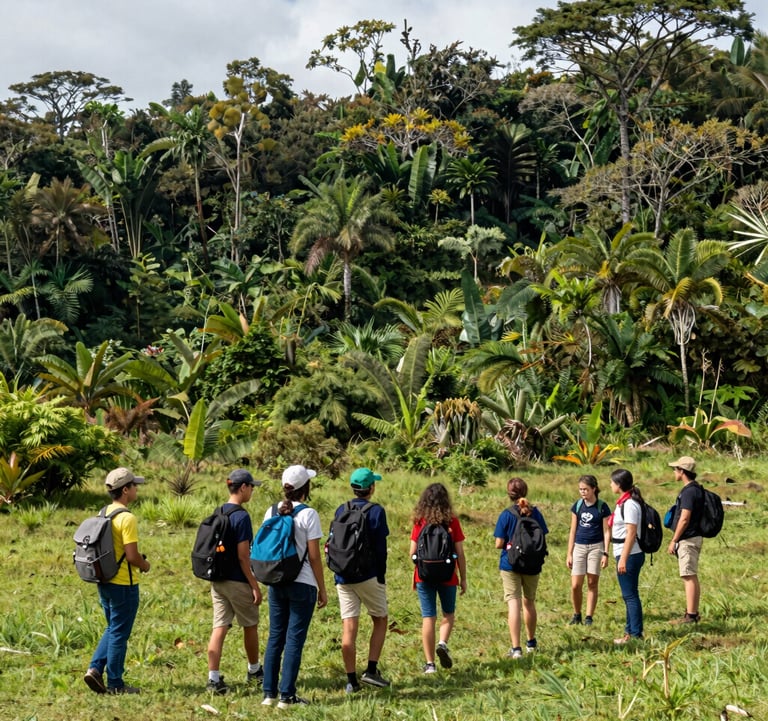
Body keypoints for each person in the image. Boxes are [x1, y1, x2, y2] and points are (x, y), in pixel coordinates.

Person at [261, 465, 328, 708]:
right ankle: (287, 696)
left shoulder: (270, 512)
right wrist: (322, 588)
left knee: (275, 637)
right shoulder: (309, 514)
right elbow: (314, 556)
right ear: (305, 488)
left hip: (276, 581)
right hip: (303, 583)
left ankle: (269, 693)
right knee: (294, 640)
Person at [83, 467, 151, 695]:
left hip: (104, 580)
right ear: (125, 490)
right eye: (134, 485)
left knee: (113, 627)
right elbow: (132, 555)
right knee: (120, 633)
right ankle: (115, 683)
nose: (136, 489)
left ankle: (94, 669)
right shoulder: (127, 518)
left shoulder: (104, 513)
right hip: (124, 584)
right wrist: (145, 565)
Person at [331, 467, 390, 693]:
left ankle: (350, 681)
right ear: (371, 488)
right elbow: (380, 549)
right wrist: (381, 576)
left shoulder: (341, 509)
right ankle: (371, 670)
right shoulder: (376, 511)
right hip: (368, 575)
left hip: (343, 575)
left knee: (349, 626)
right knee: (380, 619)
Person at [205, 469, 264, 694]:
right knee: (250, 625)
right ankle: (254, 670)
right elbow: (243, 556)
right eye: (251, 487)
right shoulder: (241, 516)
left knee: (219, 626)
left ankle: (213, 679)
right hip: (237, 580)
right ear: (243, 488)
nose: (252, 491)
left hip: (217, 579)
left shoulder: (218, 511)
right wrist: (254, 585)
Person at [409, 483, 467, 674]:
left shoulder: (420, 522)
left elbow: (412, 553)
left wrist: (419, 571)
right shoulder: (452, 521)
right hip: (448, 575)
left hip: (423, 576)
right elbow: (460, 553)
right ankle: (442, 643)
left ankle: (430, 664)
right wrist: (463, 578)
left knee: (428, 617)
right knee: (448, 614)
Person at [494, 477, 548, 659]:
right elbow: (542, 536)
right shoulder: (536, 513)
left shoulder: (506, 514)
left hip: (510, 563)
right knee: (529, 603)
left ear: (509, 494)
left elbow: (498, 543)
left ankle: (516, 648)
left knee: (514, 604)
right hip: (533, 564)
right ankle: (531, 643)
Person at [566, 474, 611, 626]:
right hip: (579, 546)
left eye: (585, 489)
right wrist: (569, 553)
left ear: (594, 489)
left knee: (592, 582)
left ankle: (589, 617)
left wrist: (606, 552)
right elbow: (572, 531)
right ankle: (577, 613)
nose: (583, 492)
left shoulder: (602, 507)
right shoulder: (577, 506)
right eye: (580, 489)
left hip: (596, 547)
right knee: (575, 585)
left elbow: (606, 531)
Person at [609, 468, 645, 644]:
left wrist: (623, 558)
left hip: (629, 554)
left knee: (630, 595)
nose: (610, 485)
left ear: (619, 484)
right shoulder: (623, 503)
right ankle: (630, 632)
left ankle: (635, 633)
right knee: (629, 594)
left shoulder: (629, 504)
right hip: (625, 552)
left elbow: (631, 533)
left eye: (612, 482)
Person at [666, 456, 704, 624]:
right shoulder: (696, 489)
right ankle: (692, 613)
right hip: (693, 537)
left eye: (675, 469)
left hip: (688, 538)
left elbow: (684, 518)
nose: (674, 472)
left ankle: (691, 615)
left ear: (682, 471)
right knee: (689, 575)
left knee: (688, 575)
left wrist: (674, 539)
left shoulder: (689, 491)